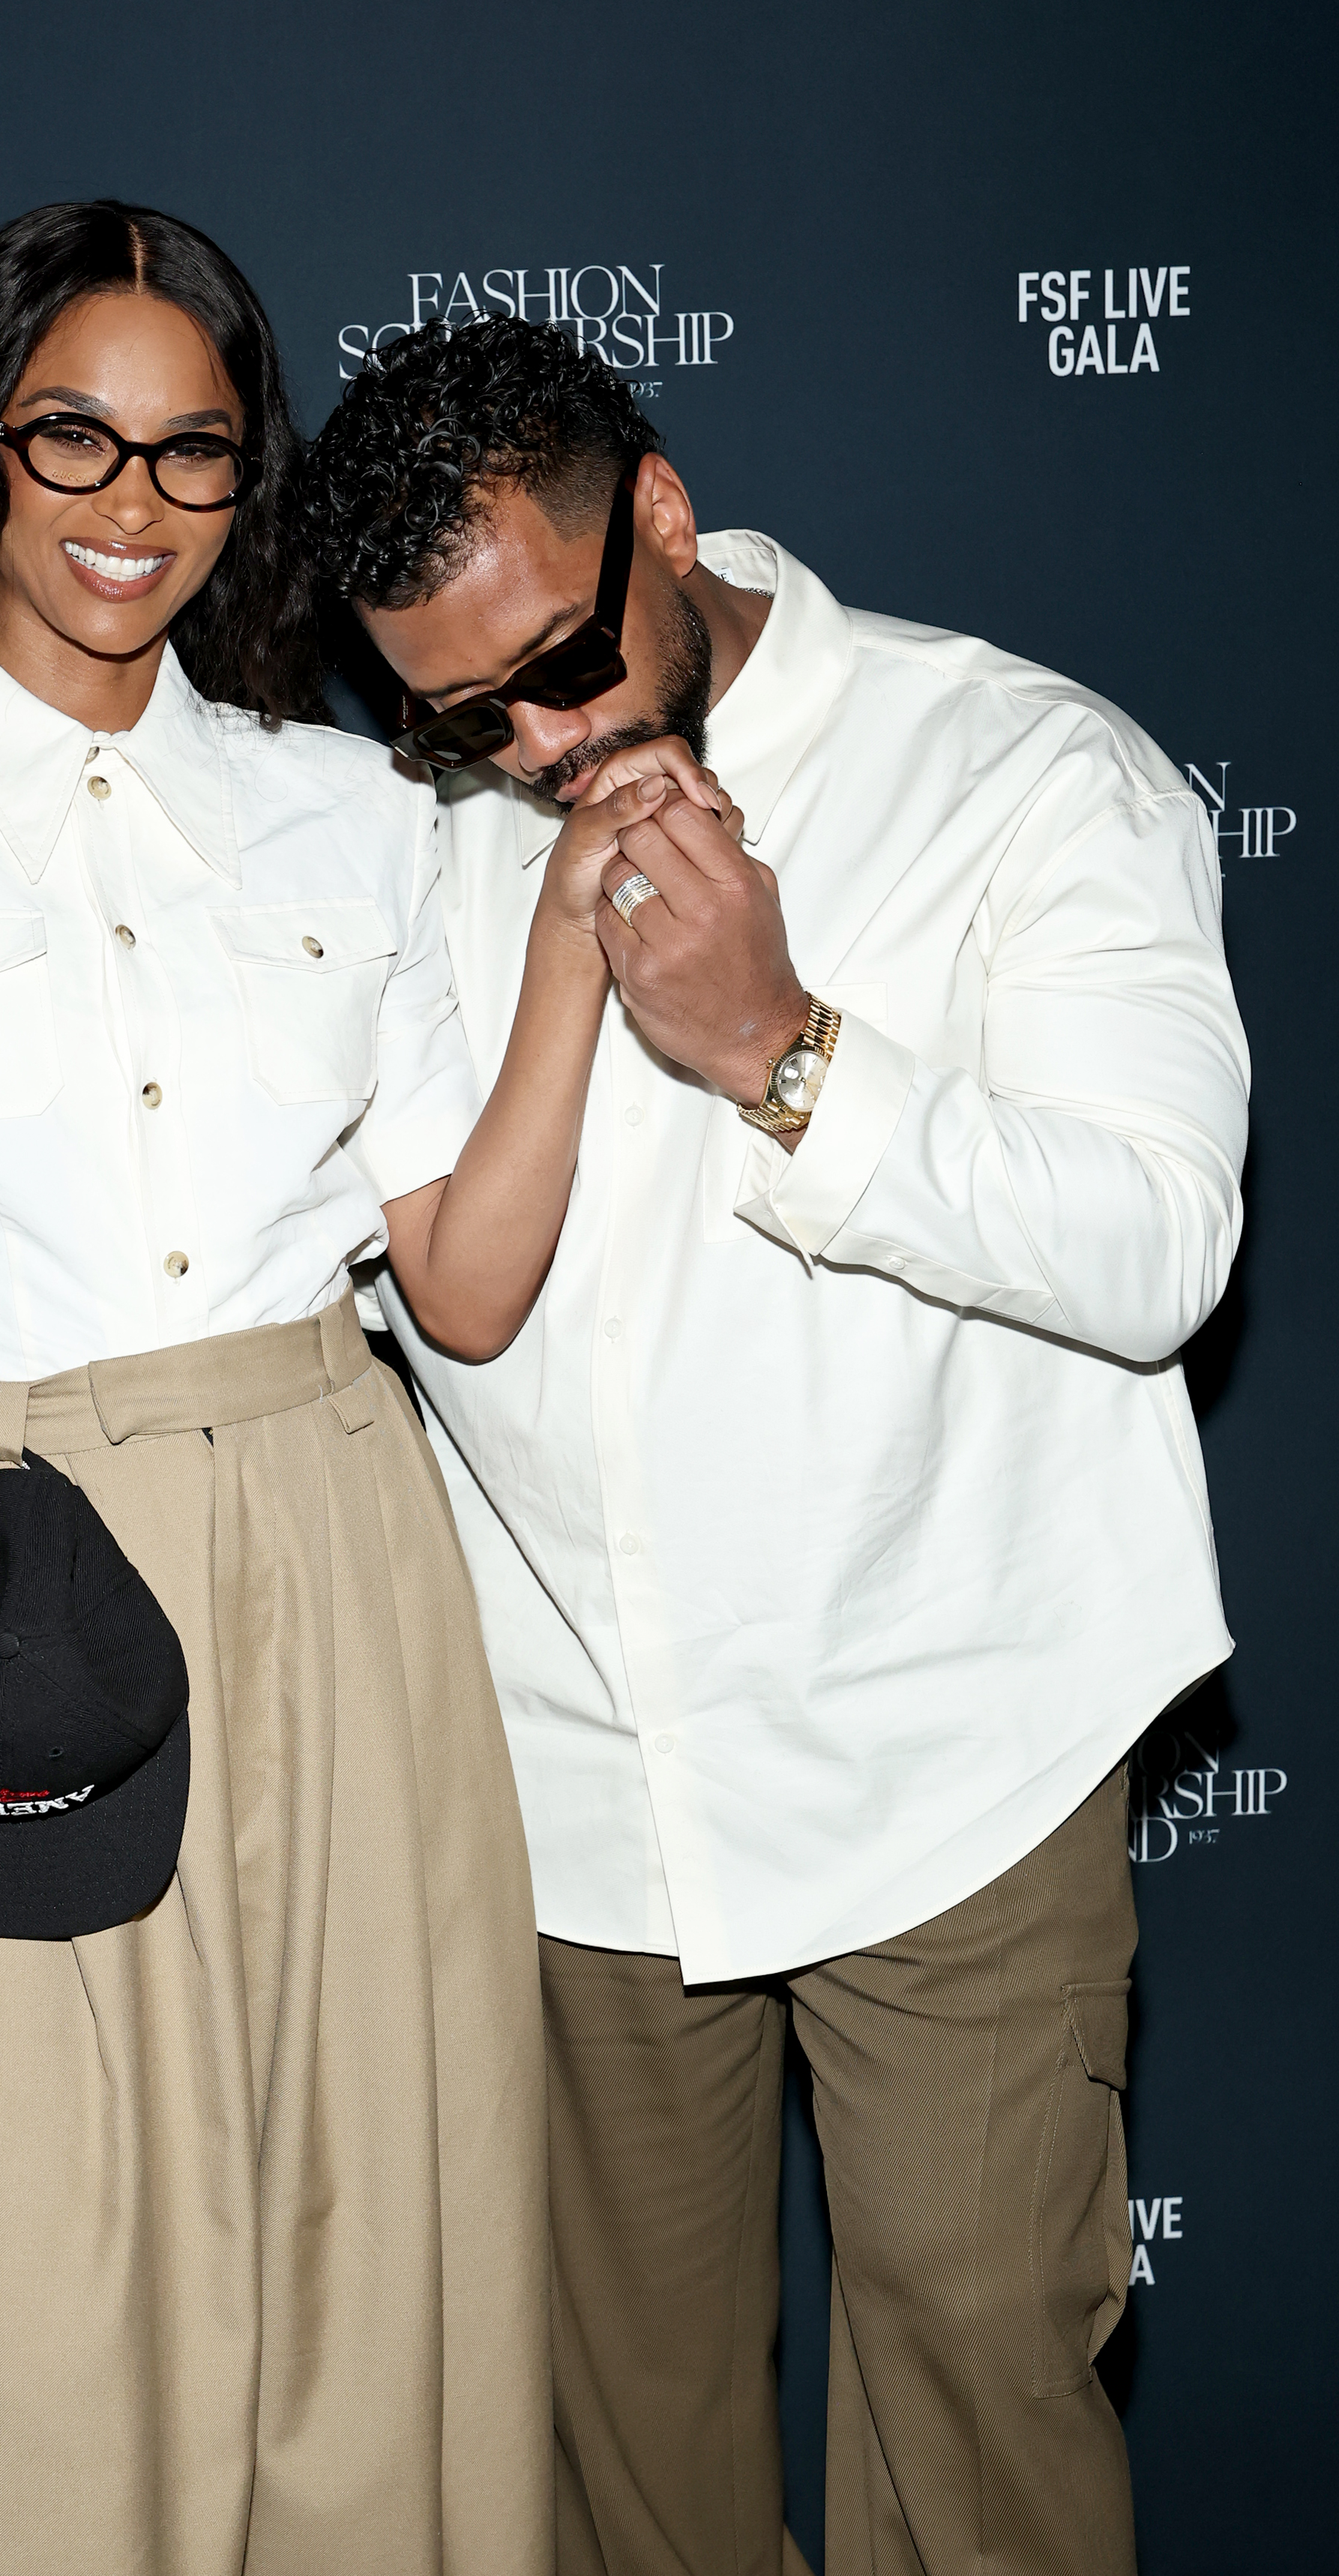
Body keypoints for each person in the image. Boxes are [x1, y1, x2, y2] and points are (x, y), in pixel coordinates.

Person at [0, 212, 705, 2576]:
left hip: (338, 1559)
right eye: (75, 436)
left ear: (250, 484)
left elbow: (465, 1275)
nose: (130, 504)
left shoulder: (356, 812)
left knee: (370, 2320)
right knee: (4, 2323)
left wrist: (552, 958)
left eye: (196, 451)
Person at [286, 321, 1249, 2576]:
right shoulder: (410, 843)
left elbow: (1157, 1241)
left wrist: (787, 1054)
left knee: (980, 2454)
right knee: (634, 2483)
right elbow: (316, 1241)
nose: (533, 744)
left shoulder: (1014, 767)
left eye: (556, 662)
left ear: (657, 511)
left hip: (948, 1765)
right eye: (454, 715)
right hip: (572, 1800)